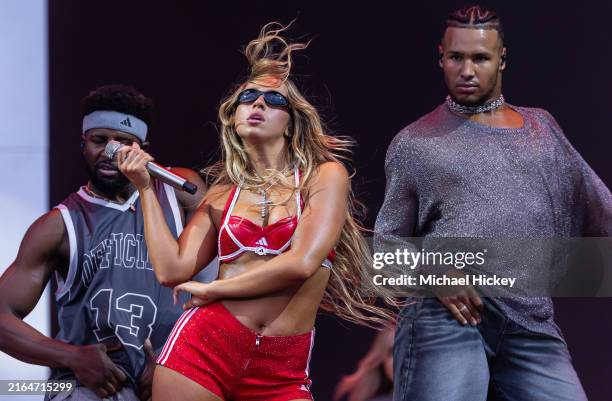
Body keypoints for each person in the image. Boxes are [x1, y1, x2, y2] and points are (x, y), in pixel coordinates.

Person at [117, 23, 395, 401]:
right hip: (205, 348)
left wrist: (215, 288)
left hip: (282, 370)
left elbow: (301, 263)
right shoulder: (221, 195)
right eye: (249, 97)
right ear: (233, 117)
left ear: (291, 124)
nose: (259, 104)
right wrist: (145, 188)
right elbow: (171, 270)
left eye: (273, 100)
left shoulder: (324, 177)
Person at [375, 5, 611, 401]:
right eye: (456, 57)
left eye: (480, 57)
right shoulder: (414, 142)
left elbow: (602, 210)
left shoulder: (541, 129)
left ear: (502, 58)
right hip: (449, 316)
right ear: (441, 57)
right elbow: (384, 249)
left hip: (531, 324)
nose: (467, 69)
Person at [0, 84, 207, 401]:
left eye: (124, 142)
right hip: (94, 384)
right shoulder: (58, 226)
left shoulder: (180, 190)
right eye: (99, 140)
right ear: (83, 143)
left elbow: (221, 282)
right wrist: (71, 356)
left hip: (172, 376)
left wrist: (175, 357)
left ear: (143, 148)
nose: (111, 151)